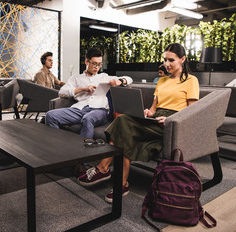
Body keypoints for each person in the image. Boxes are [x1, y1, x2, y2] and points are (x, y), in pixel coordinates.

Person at [77, 43, 200, 203]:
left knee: (123, 125)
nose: (167, 64)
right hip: (156, 120)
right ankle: (120, 183)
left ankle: (103, 169)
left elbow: (192, 112)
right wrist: (148, 112)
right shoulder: (162, 81)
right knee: (124, 125)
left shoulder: (191, 81)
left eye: (171, 60)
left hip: (173, 123)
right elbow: (154, 108)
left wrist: (170, 120)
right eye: (165, 60)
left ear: (182, 59)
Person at [45, 47, 133, 139]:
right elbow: (62, 92)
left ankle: (83, 151)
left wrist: (120, 80)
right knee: (50, 115)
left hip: (99, 110)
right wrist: (83, 89)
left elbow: (129, 79)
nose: (97, 67)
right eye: (94, 63)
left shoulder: (104, 77)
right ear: (86, 61)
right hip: (79, 109)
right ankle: (56, 145)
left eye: (99, 64)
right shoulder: (76, 78)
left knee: (88, 118)